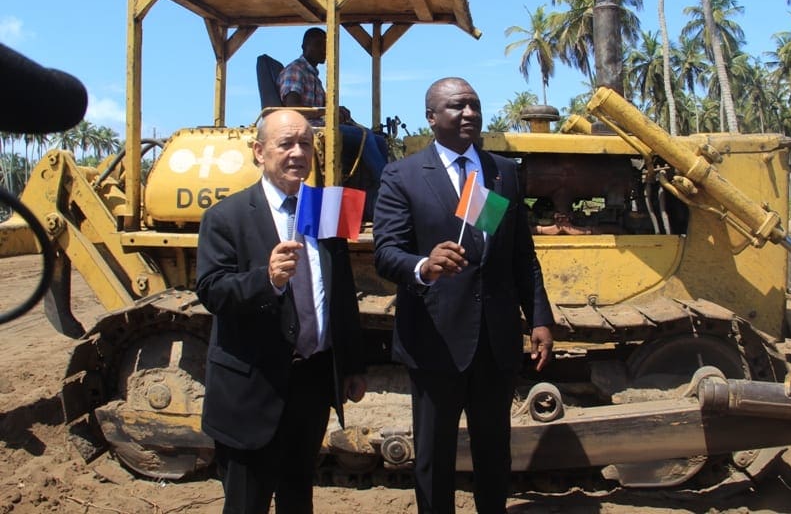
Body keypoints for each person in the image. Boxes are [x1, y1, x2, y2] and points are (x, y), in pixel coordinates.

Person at [372, 77, 554, 513]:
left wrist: (539, 317)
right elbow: (386, 253)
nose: (470, 113)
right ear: (431, 118)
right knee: (435, 458)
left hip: (495, 342)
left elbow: (520, 255)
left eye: (474, 104)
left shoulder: (501, 172)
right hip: (434, 341)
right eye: (457, 106)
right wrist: (424, 265)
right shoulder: (403, 175)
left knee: (494, 453)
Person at [196, 108, 367, 514]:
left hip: (310, 386)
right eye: (285, 143)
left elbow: (341, 293)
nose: (297, 153)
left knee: (298, 497)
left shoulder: (323, 209)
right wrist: (267, 280)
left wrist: (352, 365)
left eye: (305, 144)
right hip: (251, 392)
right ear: (259, 152)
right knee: (246, 503)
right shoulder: (226, 216)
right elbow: (212, 291)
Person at [277, 27, 388, 209]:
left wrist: (339, 112)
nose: (324, 50)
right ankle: (389, 187)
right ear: (304, 46)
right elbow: (292, 108)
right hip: (308, 129)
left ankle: (376, 202)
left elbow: (324, 108)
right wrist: (327, 112)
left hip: (321, 126)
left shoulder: (313, 76)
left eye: (326, 46)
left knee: (379, 140)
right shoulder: (295, 71)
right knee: (364, 136)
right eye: (318, 45)